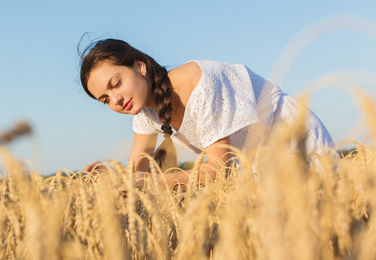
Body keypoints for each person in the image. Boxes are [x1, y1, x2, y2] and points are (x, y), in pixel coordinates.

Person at [79, 38, 334, 188]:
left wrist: (150, 184)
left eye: (116, 84)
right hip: (255, 164)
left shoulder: (200, 82)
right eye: (105, 99)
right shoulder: (145, 114)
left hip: (293, 141)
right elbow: (135, 173)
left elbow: (216, 170)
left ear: (139, 66)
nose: (115, 99)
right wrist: (111, 178)